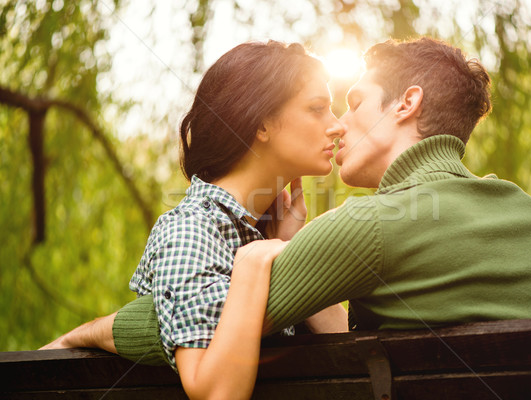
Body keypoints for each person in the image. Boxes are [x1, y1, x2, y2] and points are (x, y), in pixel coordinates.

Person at [44, 36, 531, 390]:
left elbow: (211, 325)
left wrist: (82, 334)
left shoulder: (373, 226)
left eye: (352, 102)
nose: (339, 125)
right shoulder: (528, 213)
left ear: (407, 103)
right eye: (322, 107)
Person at [42, 40, 348, 400]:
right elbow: (215, 392)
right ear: (261, 124)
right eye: (318, 109)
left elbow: (352, 355)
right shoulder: (191, 232)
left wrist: (293, 251)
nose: (338, 126)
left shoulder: (263, 236)